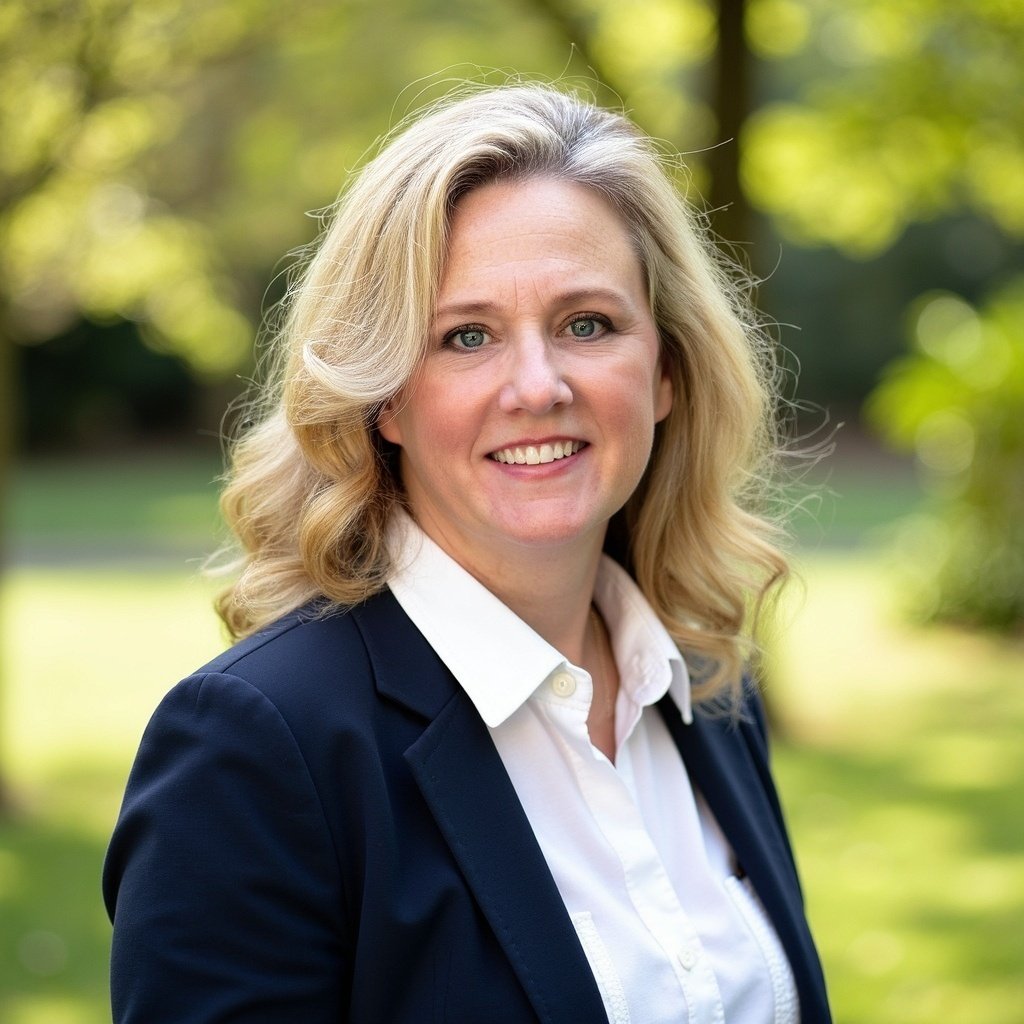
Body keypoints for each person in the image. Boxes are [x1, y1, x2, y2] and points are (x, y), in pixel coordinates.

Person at [103, 83, 831, 1023]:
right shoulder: (255, 751)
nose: (537, 386)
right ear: (384, 399)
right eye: (467, 336)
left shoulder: (707, 679)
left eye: (587, 323)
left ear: (666, 372)